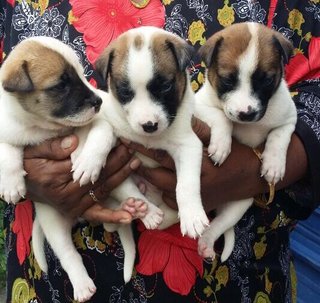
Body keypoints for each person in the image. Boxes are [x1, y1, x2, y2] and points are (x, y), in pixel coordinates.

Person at [0, 0, 319, 302]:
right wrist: (15, 166)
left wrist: (257, 170)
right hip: (55, 279)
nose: (147, 118)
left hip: (232, 275)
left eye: (163, 87)